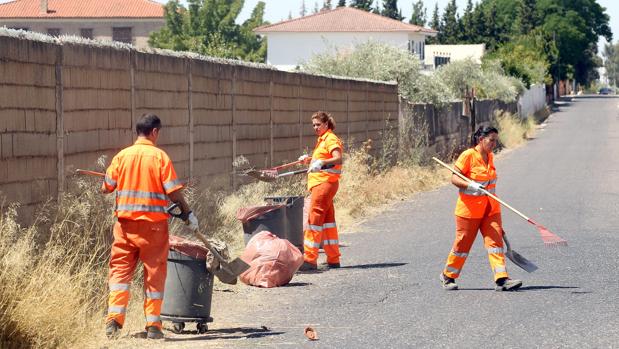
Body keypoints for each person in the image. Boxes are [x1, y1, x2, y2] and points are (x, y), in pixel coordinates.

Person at [102, 113, 198, 339]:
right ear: (154, 132)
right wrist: (187, 212)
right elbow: (173, 192)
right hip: (153, 229)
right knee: (154, 275)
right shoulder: (159, 157)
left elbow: (107, 187)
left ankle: (114, 322)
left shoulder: (122, 156)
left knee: (120, 274)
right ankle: (154, 326)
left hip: (125, 228)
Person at [440, 126, 522, 291]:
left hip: (491, 209)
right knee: (462, 246)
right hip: (469, 211)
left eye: (495, 141)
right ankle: (448, 276)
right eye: (491, 140)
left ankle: (502, 279)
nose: (494, 144)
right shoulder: (468, 155)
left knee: (495, 243)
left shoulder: (490, 156)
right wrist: (470, 185)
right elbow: (454, 178)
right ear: (480, 139)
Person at [298, 111, 343, 271]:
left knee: (314, 220)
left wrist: (322, 162)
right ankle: (333, 259)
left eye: (318, 124)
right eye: (314, 125)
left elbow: (338, 158)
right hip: (325, 184)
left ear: (326, 124)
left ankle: (309, 259)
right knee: (328, 221)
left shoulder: (330, 139)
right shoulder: (322, 140)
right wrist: (309, 160)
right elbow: (321, 160)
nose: (315, 127)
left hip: (324, 184)